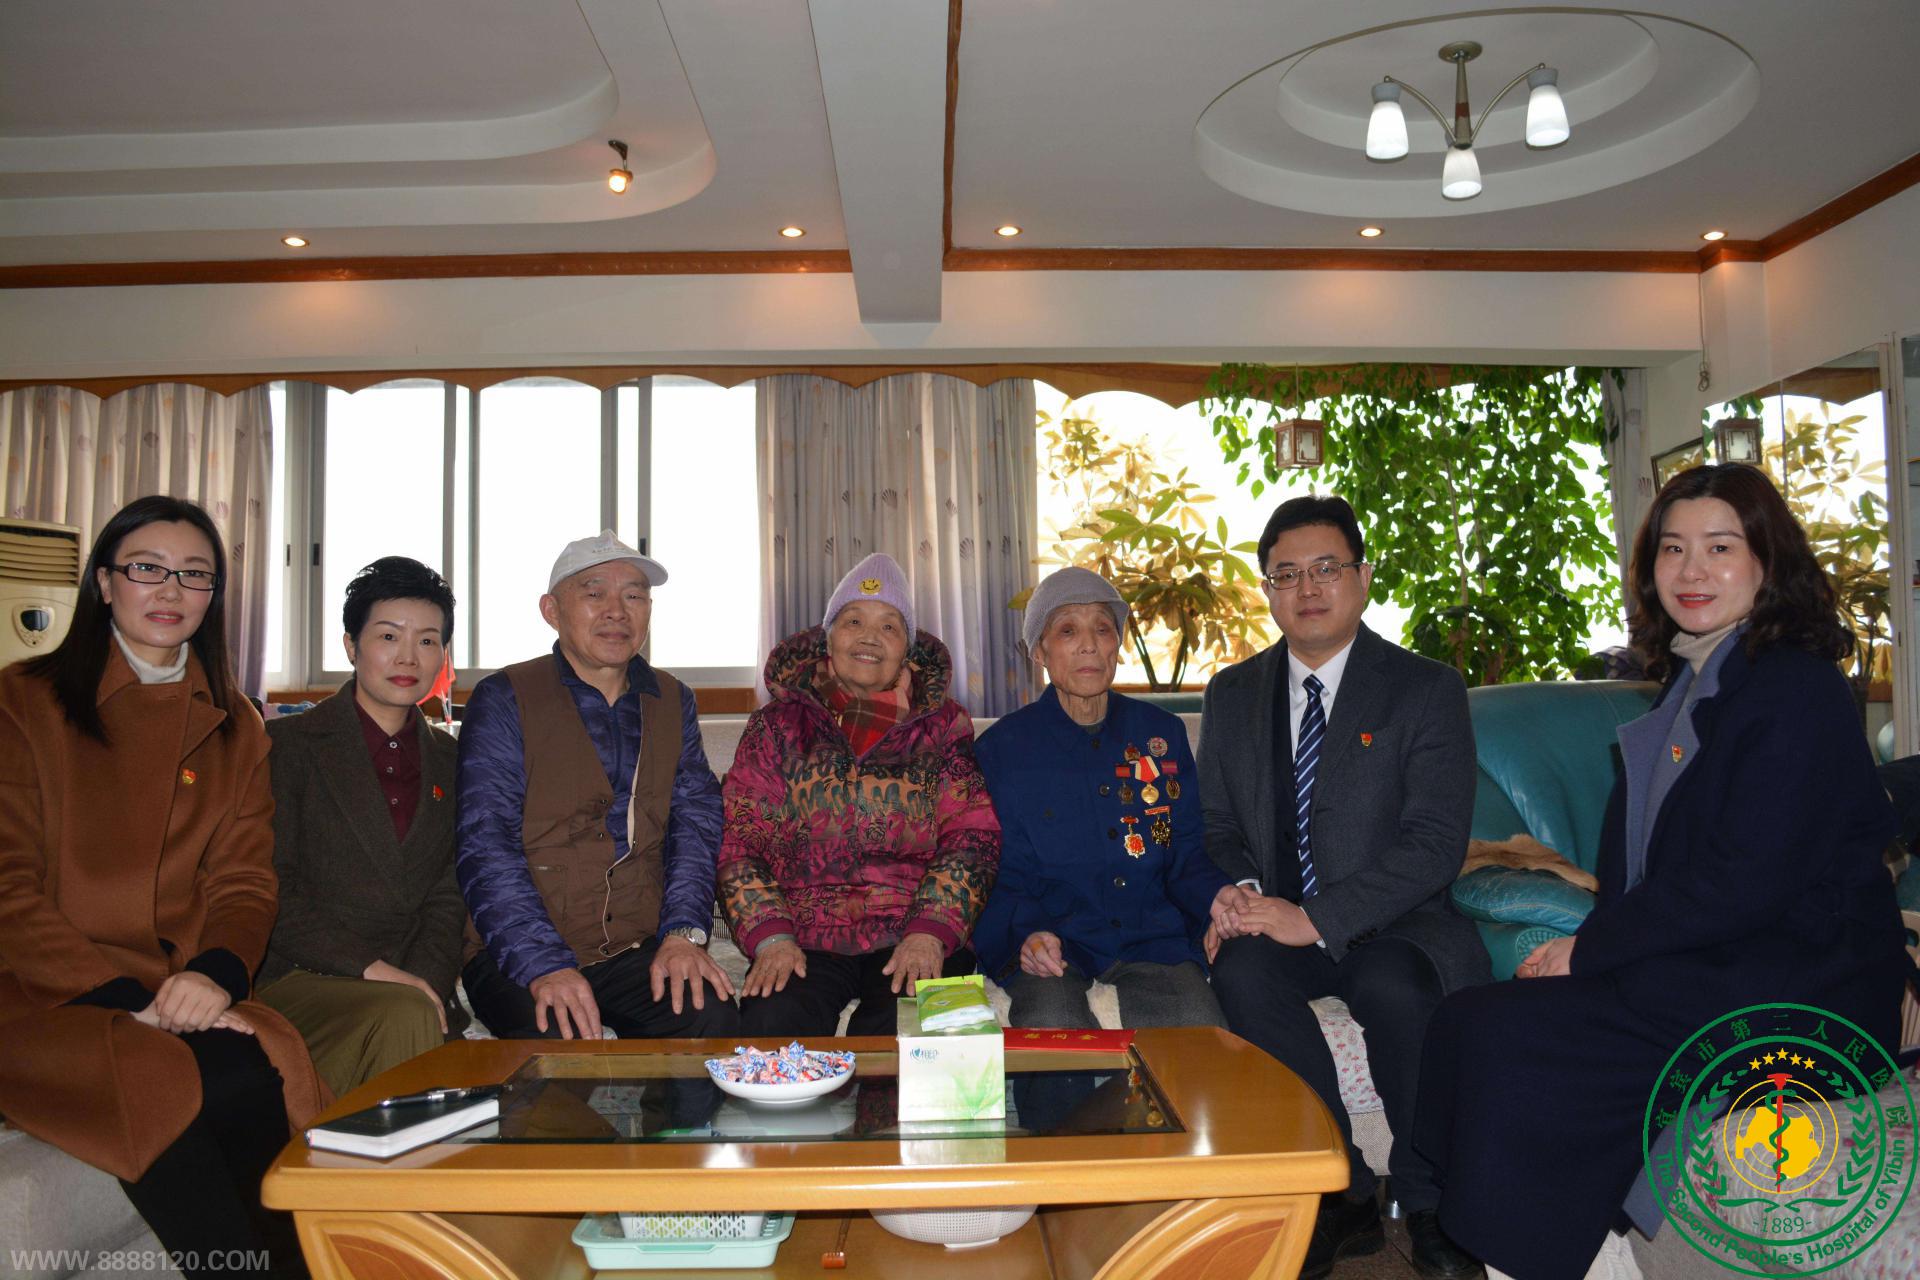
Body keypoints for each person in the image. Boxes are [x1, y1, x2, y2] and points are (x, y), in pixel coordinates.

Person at [1417, 464, 1907, 1279]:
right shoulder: (1696, 675)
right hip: (1720, 958)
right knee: (1470, 1021)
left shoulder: (1796, 689)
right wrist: (1608, 947)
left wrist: (1594, 950)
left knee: (1512, 1044)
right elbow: (1650, 867)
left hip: (1803, 987)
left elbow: (1745, 881)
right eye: (1673, 549)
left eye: (1720, 547)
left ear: (1768, 561)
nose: (1691, 570)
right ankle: (1526, 1237)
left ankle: (1537, 1250)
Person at [0, 496, 325, 1279]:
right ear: (104, 582)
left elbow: (245, 883)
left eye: (195, 574)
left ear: (215, 596)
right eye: (148, 568)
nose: (172, 590)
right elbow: (7, 886)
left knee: (251, 1065)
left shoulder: (235, 724)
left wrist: (213, 977)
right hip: (42, 992)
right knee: (171, 1080)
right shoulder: (22, 701)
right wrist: (119, 998)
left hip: (173, 984)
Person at [1200, 494, 1486, 1280]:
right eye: (1286, 574)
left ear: (1362, 578)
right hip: (1280, 915)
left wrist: (1318, 918)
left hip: (1398, 920)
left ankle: (1428, 1200)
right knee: (1241, 972)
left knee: (1393, 986)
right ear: (1267, 590)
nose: (1308, 588)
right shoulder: (1232, 693)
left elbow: (1436, 843)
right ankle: (1344, 1191)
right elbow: (1216, 825)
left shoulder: (1426, 688)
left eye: (1326, 568)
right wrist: (1243, 895)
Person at [456, 531, 737, 1043]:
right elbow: (485, 841)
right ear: (551, 610)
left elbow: (694, 826)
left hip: (635, 945)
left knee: (708, 1015)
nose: (617, 611)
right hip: (518, 950)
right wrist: (543, 964)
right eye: (594, 593)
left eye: (634, 595)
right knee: (554, 1034)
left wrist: (681, 933)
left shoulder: (673, 700)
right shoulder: (504, 697)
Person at [720, 552, 1000, 1037]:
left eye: (889, 626)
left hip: (912, 928)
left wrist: (931, 932)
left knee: (926, 1040)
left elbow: (972, 837)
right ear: (827, 639)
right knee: (771, 1025)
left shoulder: (943, 726)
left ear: (907, 650)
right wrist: (771, 936)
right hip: (804, 934)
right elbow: (739, 842)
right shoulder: (776, 726)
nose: (870, 637)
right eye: (853, 621)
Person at [973, 566, 1238, 1030]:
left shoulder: (1159, 735)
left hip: (1149, 934)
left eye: (1102, 629)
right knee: (1051, 1020)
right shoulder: (1001, 749)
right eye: (1067, 631)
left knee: (1198, 1033)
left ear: (1117, 644)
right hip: (1052, 935)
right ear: (1040, 651)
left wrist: (1216, 897)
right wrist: (1028, 932)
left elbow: (1182, 848)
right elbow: (1001, 869)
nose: (1088, 645)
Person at [256, 557, 465, 1096]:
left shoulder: (452, 760)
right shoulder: (286, 748)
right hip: (303, 975)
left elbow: (449, 894)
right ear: (351, 645)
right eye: (389, 636)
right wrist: (373, 970)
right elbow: (270, 886)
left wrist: (424, 982)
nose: (408, 657)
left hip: (410, 985)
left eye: (427, 641)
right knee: (405, 1019)